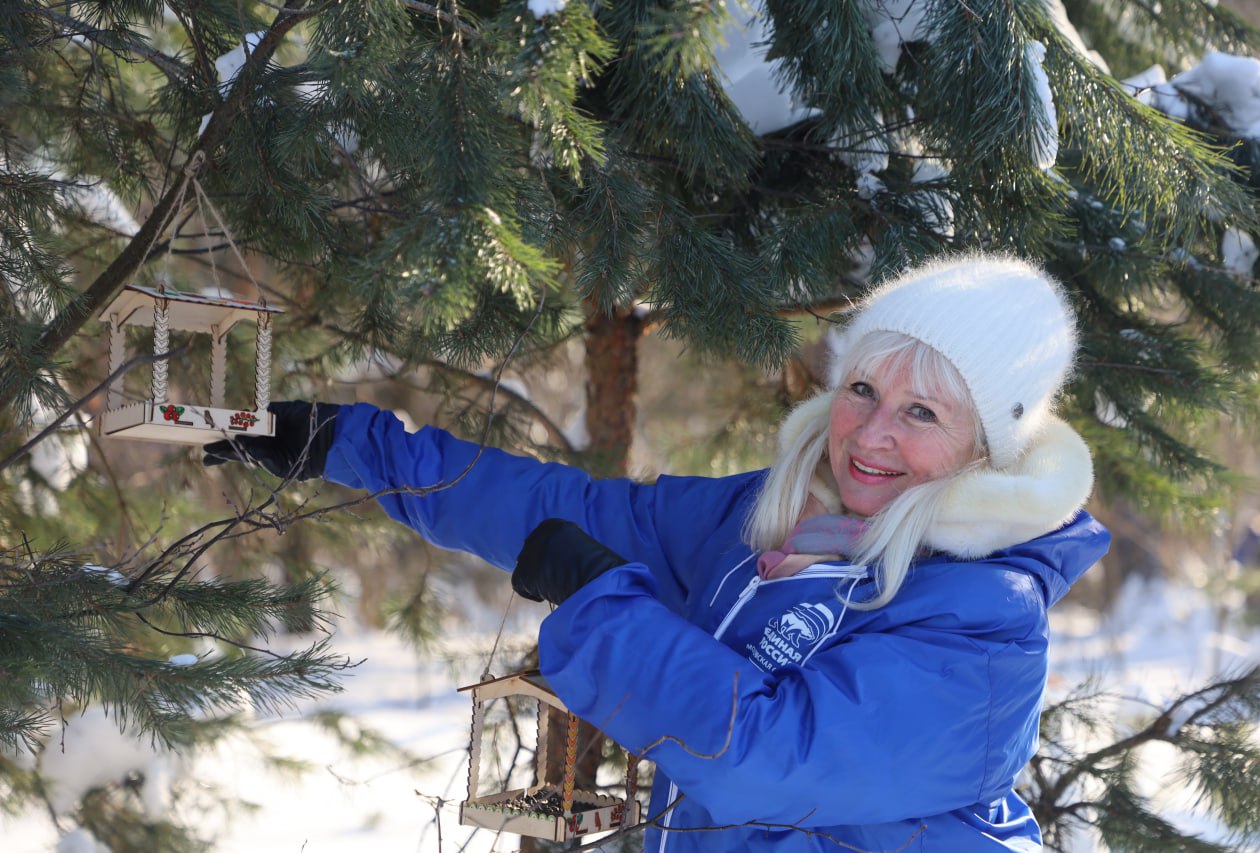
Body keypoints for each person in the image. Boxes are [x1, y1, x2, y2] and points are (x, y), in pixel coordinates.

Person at [204, 253, 1111, 852]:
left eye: (922, 412)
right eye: (864, 389)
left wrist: (607, 604)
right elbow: (566, 509)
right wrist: (345, 445)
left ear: (988, 449)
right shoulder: (772, 515)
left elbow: (762, 757)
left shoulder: (984, 623)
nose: (872, 435)